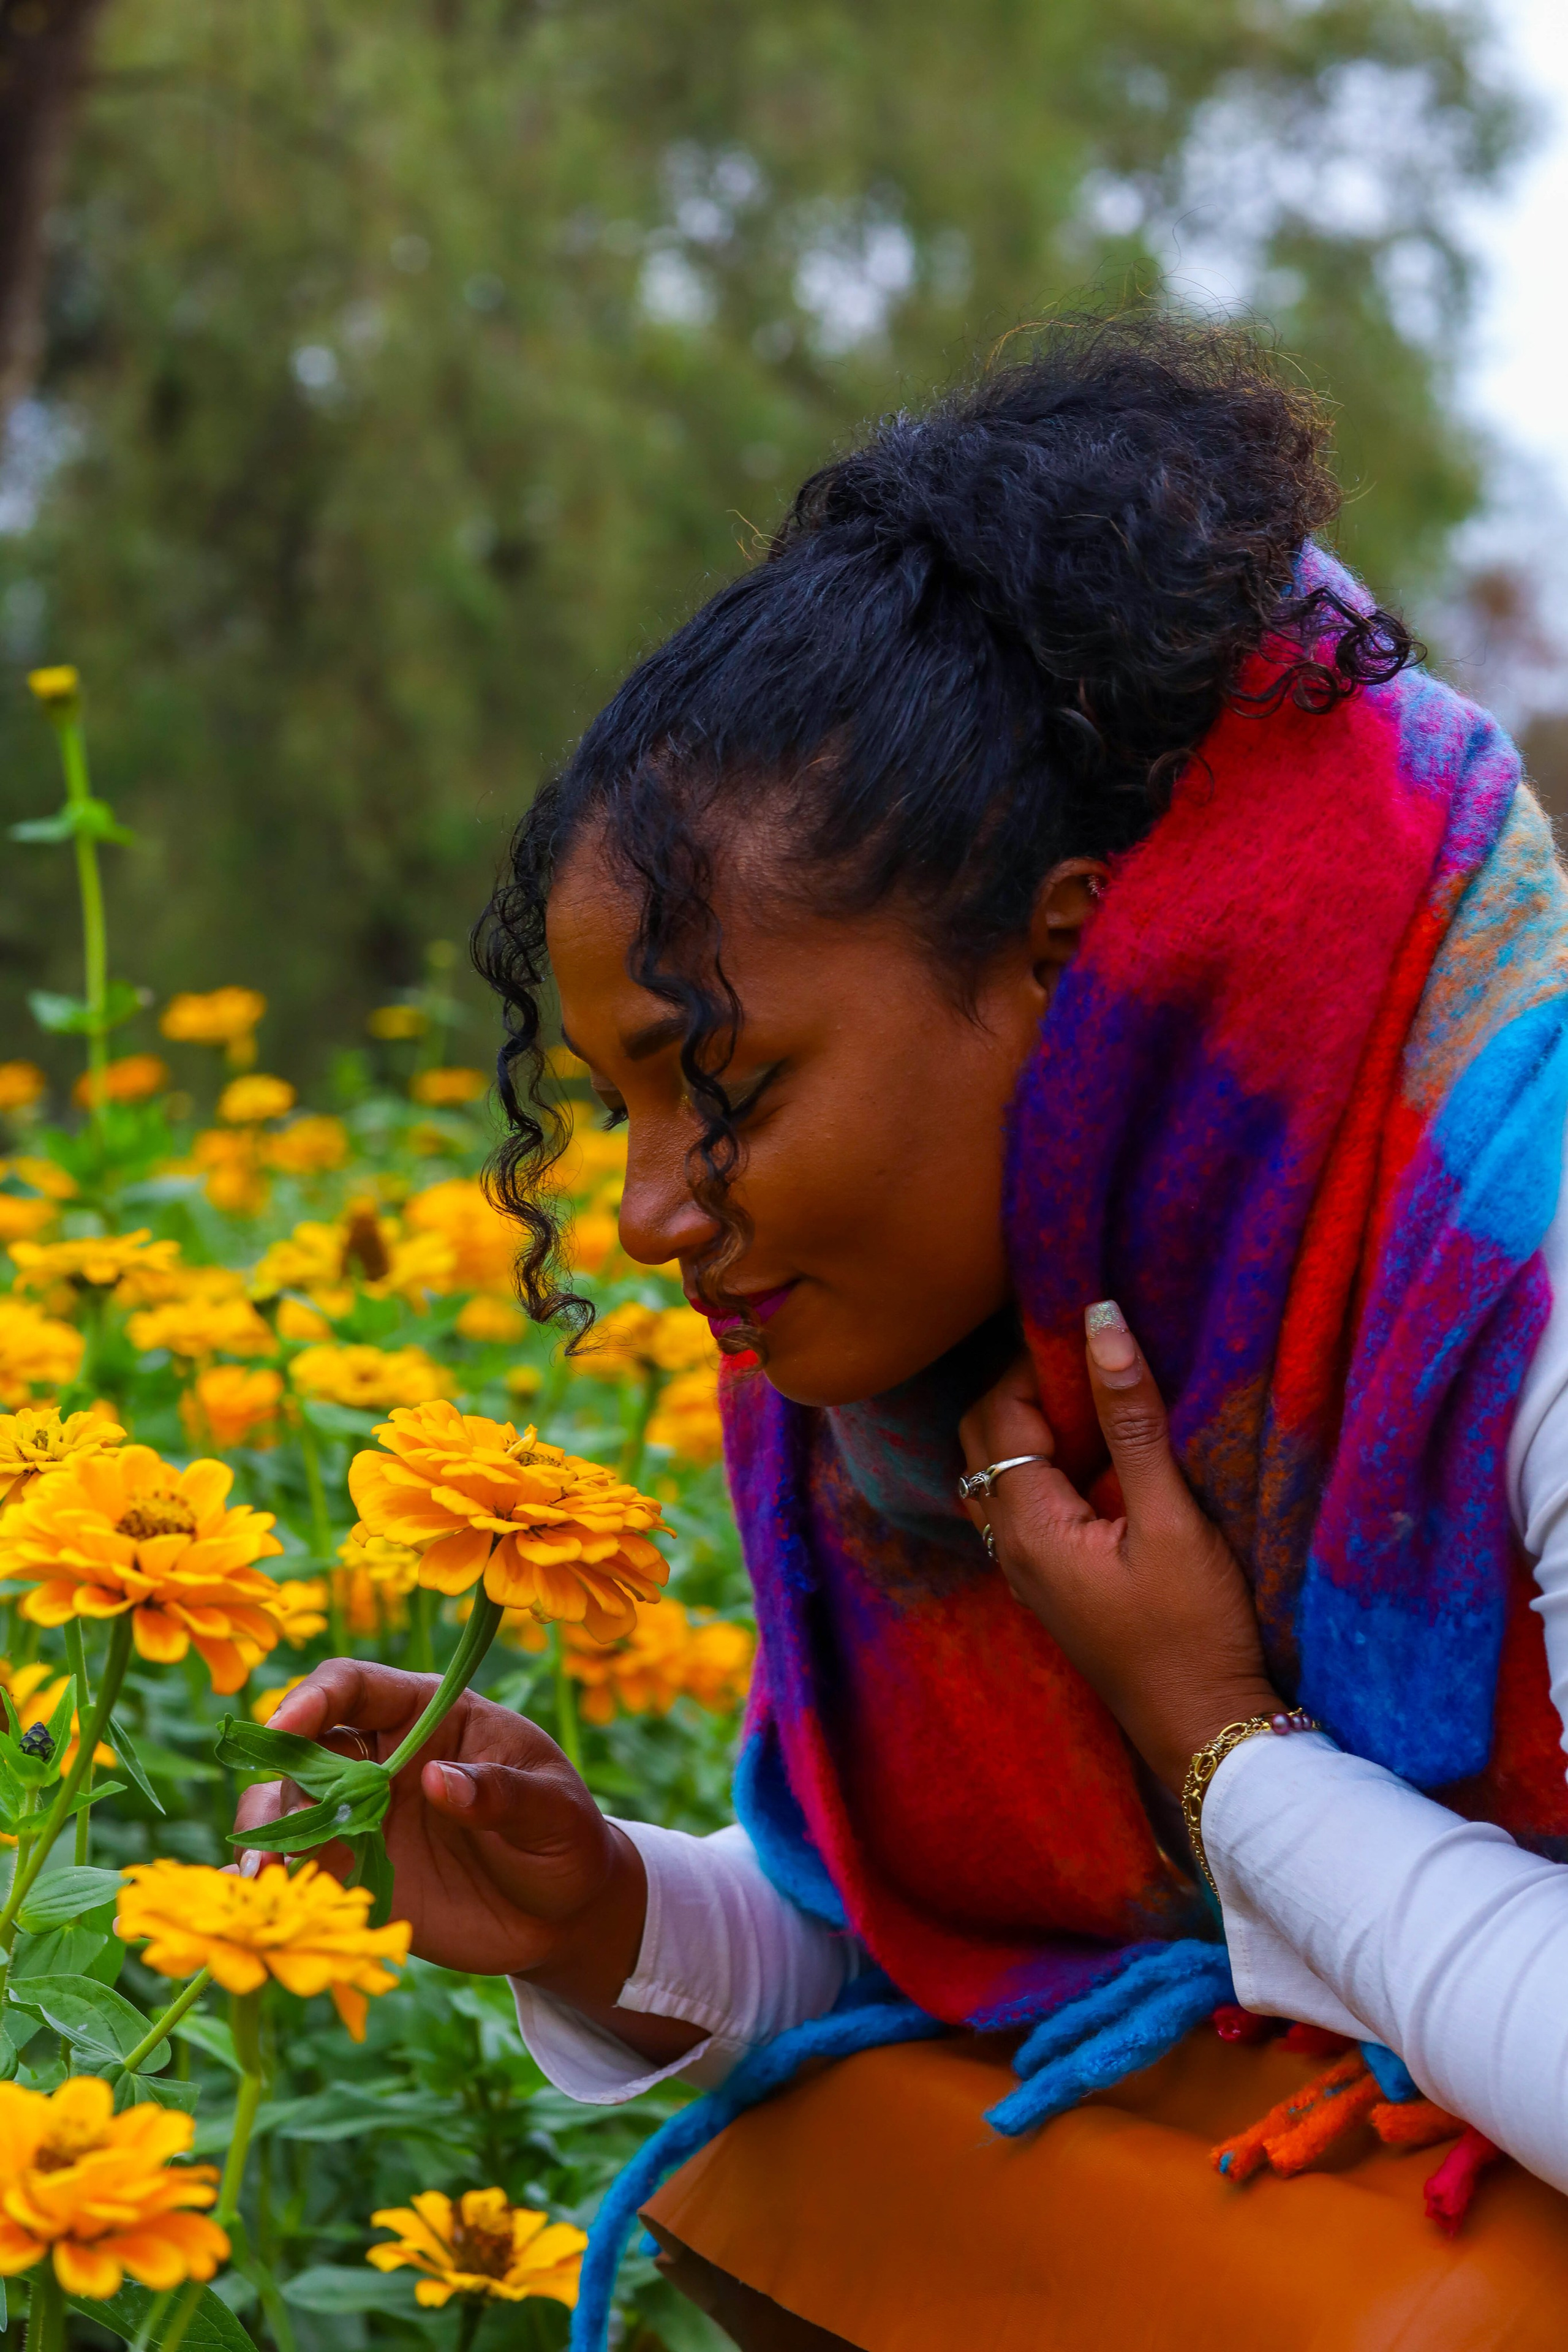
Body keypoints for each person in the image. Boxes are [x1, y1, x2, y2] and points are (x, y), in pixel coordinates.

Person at [240, 317, 1568, 2351]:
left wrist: (1222, 1744)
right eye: (625, 1108)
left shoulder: (1520, 1258)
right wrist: (606, 1914)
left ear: (1063, 951)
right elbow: (964, 1955)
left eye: (729, 1085)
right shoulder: (954, 1379)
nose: (647, 1215)